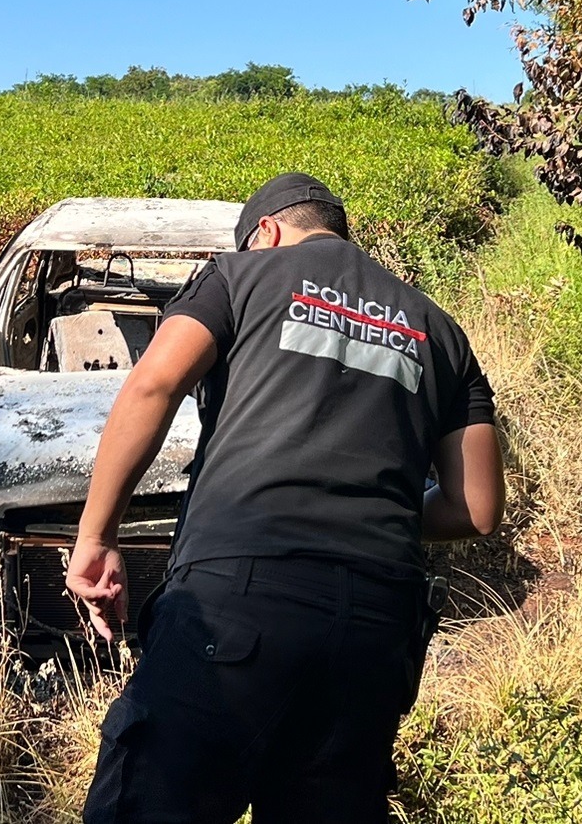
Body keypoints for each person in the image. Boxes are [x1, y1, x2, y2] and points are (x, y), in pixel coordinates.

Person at [66, 173, 505, 823]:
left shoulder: (236, 278)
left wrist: (96, 535)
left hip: (239, 603)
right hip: (375, 630)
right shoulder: (440, 330)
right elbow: (475, 507)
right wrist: (364, 510)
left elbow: (152, 385)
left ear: (265, 232)